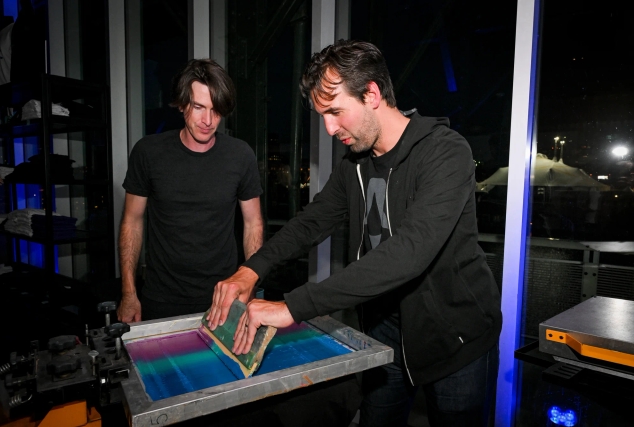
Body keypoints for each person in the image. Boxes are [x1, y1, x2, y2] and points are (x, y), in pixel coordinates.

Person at [208, 40, 502, 427]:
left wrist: (291, 307)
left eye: (335, 112)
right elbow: (312, 222)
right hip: (383, 335)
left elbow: (409, 253)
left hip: (455, 338)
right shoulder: (355, 165)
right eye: (322, 116)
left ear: (372, 94)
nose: (330, 128)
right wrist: (253, 269)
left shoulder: (445, 152)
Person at [118, 59, 264, 322]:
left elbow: (253, 223)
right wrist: (129, 293)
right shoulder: (148, 153)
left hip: (224, 298)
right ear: (183, 104)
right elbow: (132, 221)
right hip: (161, 298)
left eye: (216, 110)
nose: (208, 121)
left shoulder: (240, 155)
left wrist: (249, 287)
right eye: (198, 107)